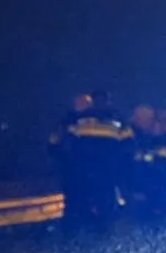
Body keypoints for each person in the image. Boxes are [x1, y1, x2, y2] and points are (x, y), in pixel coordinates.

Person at [52, 91, 133, 221]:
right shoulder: (117, 120)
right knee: (97, 205)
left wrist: (64, 160)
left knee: (83, 206)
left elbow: (57, 142)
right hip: (97, 170)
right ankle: (96, 234)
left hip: (86, 170)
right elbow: (128, 147)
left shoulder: (76, 118)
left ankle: (79, 236)